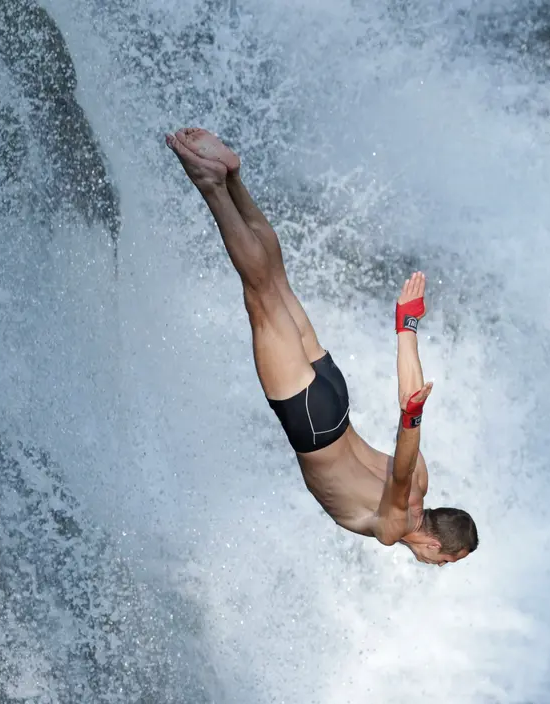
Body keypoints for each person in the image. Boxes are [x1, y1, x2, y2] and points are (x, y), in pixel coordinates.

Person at [165, 127, 478, 566]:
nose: (438, 566)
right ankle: (212, 186)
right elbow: (402, 466)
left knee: (276, 281)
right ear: (434, 545)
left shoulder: (424, 483)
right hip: (313, 422)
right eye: (446, 561)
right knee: (260, 291)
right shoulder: (398, 525)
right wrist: (411, 419)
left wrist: (406, 326)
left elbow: (410, 433)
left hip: (334, 396)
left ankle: (233, 176)